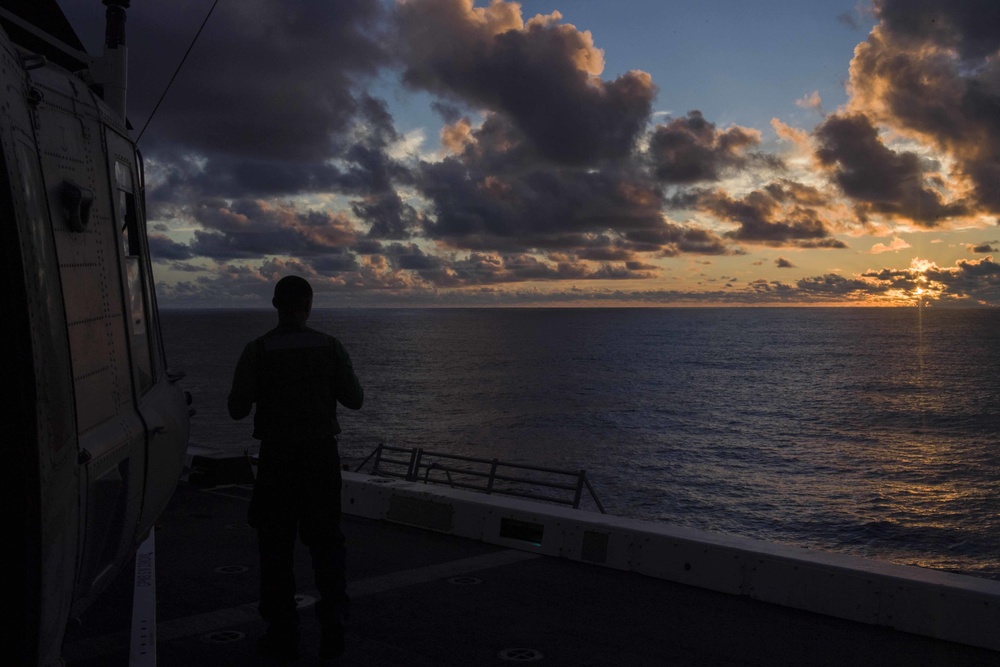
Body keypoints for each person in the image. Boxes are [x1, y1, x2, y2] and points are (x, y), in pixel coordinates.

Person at [228, 275, 363, 660]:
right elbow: (355, 399)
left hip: (277, 460)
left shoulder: (257, 350)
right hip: (320, 458)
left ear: (275, 304)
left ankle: (281, 627)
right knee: (326, 542)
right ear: (308, 306)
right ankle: (334, 617)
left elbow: (236, 409)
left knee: (275, 546)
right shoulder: (330, 347)